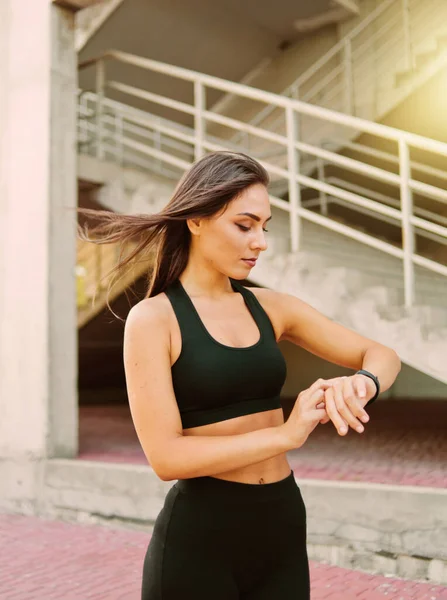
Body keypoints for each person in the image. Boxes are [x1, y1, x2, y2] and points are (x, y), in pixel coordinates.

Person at [79, 151, 401, 599]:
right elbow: (166, 458)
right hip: (201, 541)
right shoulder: (154, 319)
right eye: (244, 225)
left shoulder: (270, 307)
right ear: (196, 219)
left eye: (264, 227)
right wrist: (286, 435)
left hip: (282, 524)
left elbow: (381, 353)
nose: (260, 242)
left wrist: (363, 382)